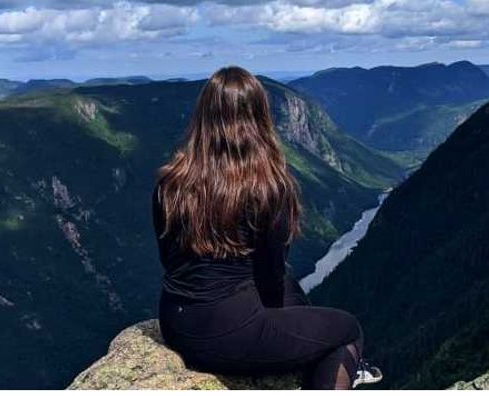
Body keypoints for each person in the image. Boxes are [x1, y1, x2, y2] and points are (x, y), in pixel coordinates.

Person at [152, 66, 382, 389]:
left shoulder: (170, 182)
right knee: (347, 330)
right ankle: (329, 371)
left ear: (203, 117)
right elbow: (270, 275)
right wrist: (277, 331)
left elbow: (170, 260)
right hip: (228, 334)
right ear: (258, 117)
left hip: (176, 322)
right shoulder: (267, 187)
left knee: (293, 288)